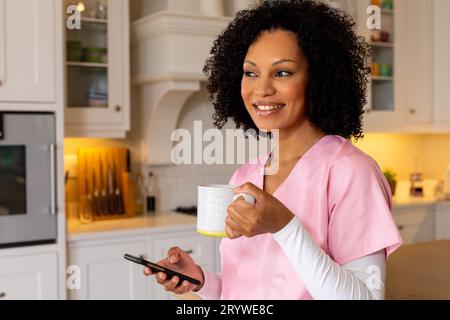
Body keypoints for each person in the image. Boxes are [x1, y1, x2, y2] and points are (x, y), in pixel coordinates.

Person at [143, 0, 403, 300]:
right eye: (251, 73)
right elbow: (253, 285)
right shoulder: (246, 174)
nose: (261, 89)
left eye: (282, 73)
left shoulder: (349, 171)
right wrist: (203, 282)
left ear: (316, 79)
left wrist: (285, 226)